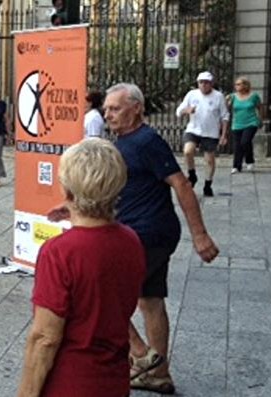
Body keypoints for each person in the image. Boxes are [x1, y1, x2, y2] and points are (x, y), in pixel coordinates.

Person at [51, 83, 220, 394]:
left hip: (146, 234)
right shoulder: (127, 142)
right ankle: (160, 373)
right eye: (106, 110)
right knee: (150, 300)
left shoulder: (145, 141)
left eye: (115, 109)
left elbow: (181, 185)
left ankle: (142, 356)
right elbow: (114, 190)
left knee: (101, 297)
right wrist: (71, 207)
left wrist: (201, 235)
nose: (108, 114)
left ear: (137, 108)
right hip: (148, 232)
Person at [17, 138, 145, 397]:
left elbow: (45, 337)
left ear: (67, 190)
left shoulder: (59, 252)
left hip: (71, 383)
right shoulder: (130, 239)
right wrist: (81, 207)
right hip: (113, 380)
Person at [176, 71, 230, 197]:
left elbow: (225, 116)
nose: (204, 85)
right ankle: (192, 173)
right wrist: (186, 110)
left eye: (206, 82)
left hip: (210, 132)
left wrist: (223, 134)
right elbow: (179, 111)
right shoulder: (192, 94)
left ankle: (207, 184)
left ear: (211, 84)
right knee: (188, 151)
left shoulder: (218, 96)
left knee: (209, 159)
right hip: (194, 129)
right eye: (201, 82)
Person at [229, 76, 264, 173]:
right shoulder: (232, 97)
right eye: (236, 84)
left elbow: (260, 107)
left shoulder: (254, 96)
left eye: (240, 84)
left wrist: (260, 119)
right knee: (237, 145)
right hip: (237, 124)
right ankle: (236, 166)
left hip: (251, 122)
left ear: (245, 85)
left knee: (245, 141)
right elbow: (226, 108)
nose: (237, 86)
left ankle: (249, 160)